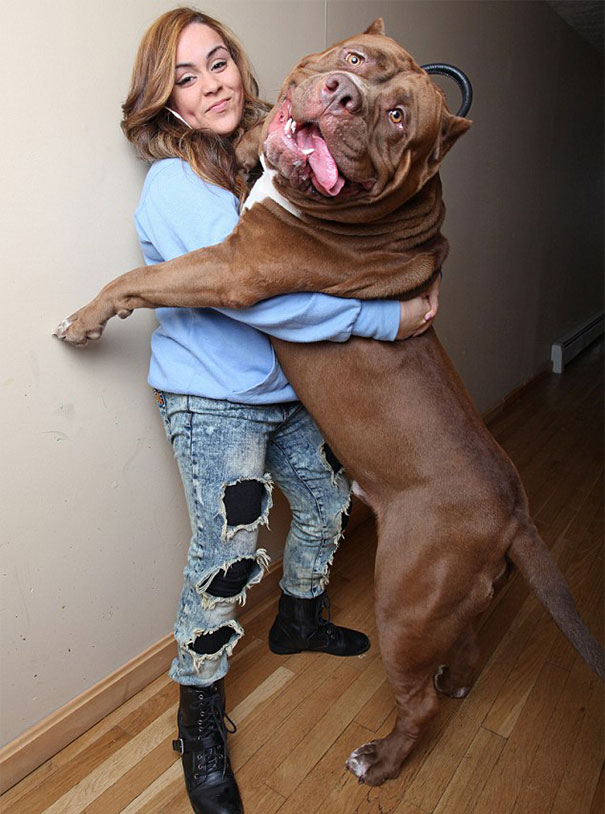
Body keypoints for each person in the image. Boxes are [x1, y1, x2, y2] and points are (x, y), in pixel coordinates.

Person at [121, 9, 439, 814]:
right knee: (225, 557)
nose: (210, 85)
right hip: (213, 402)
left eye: (217, 61)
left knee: (329, 505)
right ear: (166, 105)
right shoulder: (174, 185)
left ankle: (298, 619)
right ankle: (196, 715)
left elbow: (330, 253)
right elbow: (271, 301)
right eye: (184, 79)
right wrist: (386, 319)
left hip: (290, 394)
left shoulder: (270, 157)